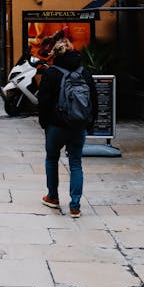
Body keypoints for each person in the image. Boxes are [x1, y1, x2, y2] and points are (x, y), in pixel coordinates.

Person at [37, 37, 98, 218]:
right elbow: (94, 100)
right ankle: (75, 206)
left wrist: (44, 124)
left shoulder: (51, 73)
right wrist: (89, 123)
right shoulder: (84, 73)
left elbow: (44, 102)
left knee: (51, 159)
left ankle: (53, 197)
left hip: (56, 126)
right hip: (78, 125)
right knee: (76, 163)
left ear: (55, 52)